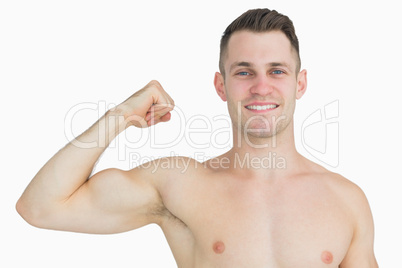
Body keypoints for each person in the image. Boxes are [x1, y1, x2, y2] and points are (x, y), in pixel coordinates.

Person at [16, 8, 378, 267]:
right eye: (244, 72)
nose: (261, 87)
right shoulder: (182, 186)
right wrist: (121, 115)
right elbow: (41, 207)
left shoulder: (346, 201)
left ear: (299, 84)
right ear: (221, 86)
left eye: (277, 71)